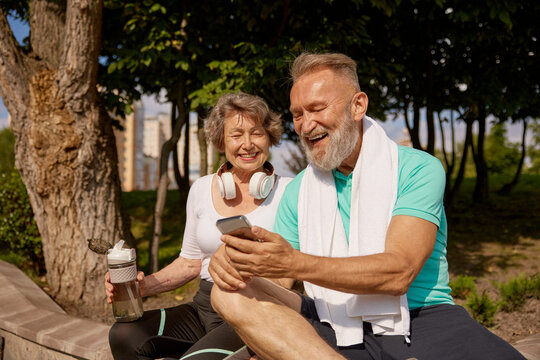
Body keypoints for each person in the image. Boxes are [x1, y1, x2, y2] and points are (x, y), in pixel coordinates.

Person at [208, 53, 525, 360]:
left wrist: (292, 263)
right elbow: (278, 281)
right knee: (226, 293)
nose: (305, 125)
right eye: (298, 114)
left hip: (419, 319)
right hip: (329, 321)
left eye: (317, 108)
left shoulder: (417, 169)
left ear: (358, 105)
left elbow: (398, 273)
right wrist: (242, 266)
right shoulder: (301, 189)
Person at [105, 92, 292, 360]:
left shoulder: (289, 191)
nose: (248, 144)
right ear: (221, 141)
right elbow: (190, 263)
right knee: (124, 335)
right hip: (203, 306)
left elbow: (293, 270)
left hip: (253, 310)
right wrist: (142, 287)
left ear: (270, 136)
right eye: (236, 135)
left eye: (257, 133)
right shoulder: (202, 188)